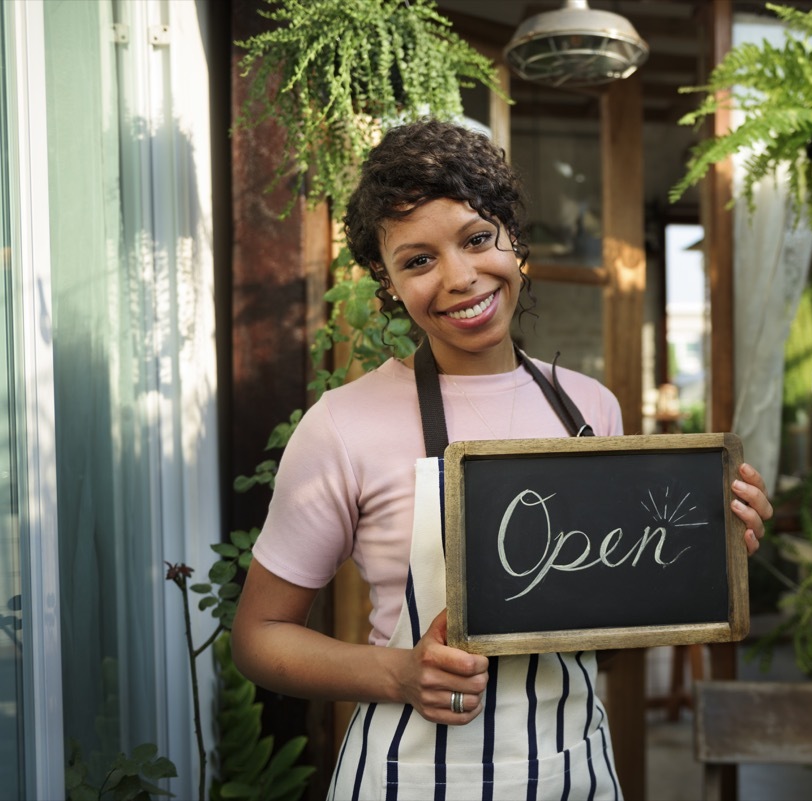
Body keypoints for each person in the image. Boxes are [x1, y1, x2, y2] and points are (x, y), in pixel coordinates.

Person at [231, 118, 774, 800]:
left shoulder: (590, 410)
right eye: (418, 260)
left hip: (578, 770)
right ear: (387, 282)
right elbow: (258, 637)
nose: (460, 277)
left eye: (477, 238)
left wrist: (704, 552)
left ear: (514, 239)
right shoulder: (342, 425)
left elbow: (602, 616)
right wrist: (400, 673)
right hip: (415, 778)